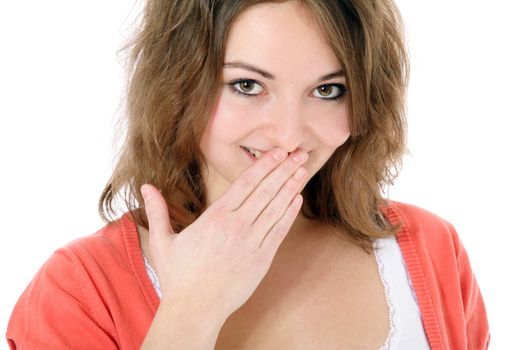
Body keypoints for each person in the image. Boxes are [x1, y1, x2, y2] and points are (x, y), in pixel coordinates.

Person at [6, 0, 490, 349]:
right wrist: (191, 310)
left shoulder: (430, 250)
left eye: (328, 90)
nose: (288, 135)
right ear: (179, 86)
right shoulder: (79, 291)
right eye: (247, 85)